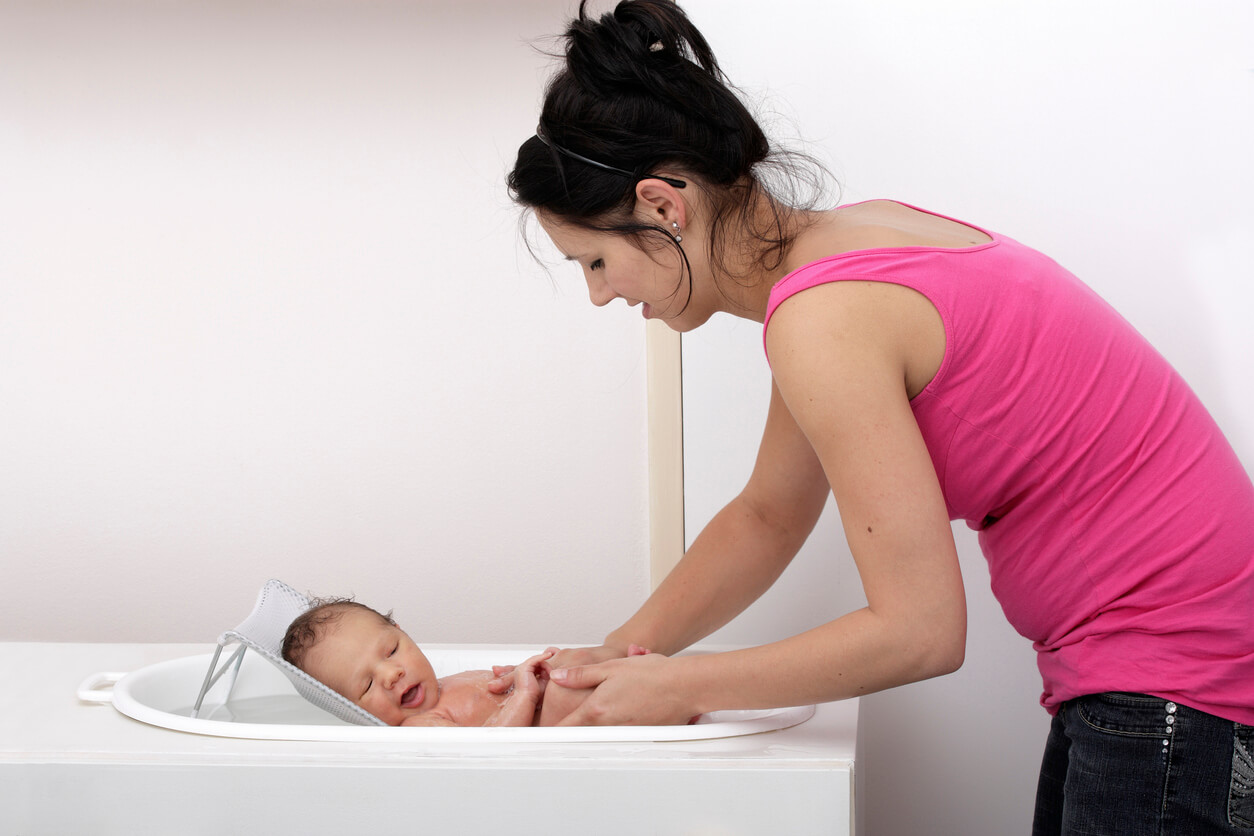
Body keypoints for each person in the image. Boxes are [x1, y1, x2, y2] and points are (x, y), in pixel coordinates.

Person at [504, 1, 1254, 832]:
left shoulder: (824, 320)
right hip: (1167, 677)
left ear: (663, 206)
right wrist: (622, 651)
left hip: (1179, 684)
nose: (601, 293)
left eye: (597, 261)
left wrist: (676, 685)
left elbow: (920, 632)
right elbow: (768, 513)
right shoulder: (839, 261)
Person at [281, 598, 653, 727]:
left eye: (392, 650)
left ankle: (635, 673)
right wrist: (525, 692)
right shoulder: (422, 724)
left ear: (402, 631)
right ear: (348, 708)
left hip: (558, 698)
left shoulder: (447, 682)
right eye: (366, 685)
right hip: (560, 719)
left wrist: (527, 672)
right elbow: (489, 746)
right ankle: (652, 697)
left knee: (569, 664)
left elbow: (498, 691)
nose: (391, 674)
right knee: (566, 698)